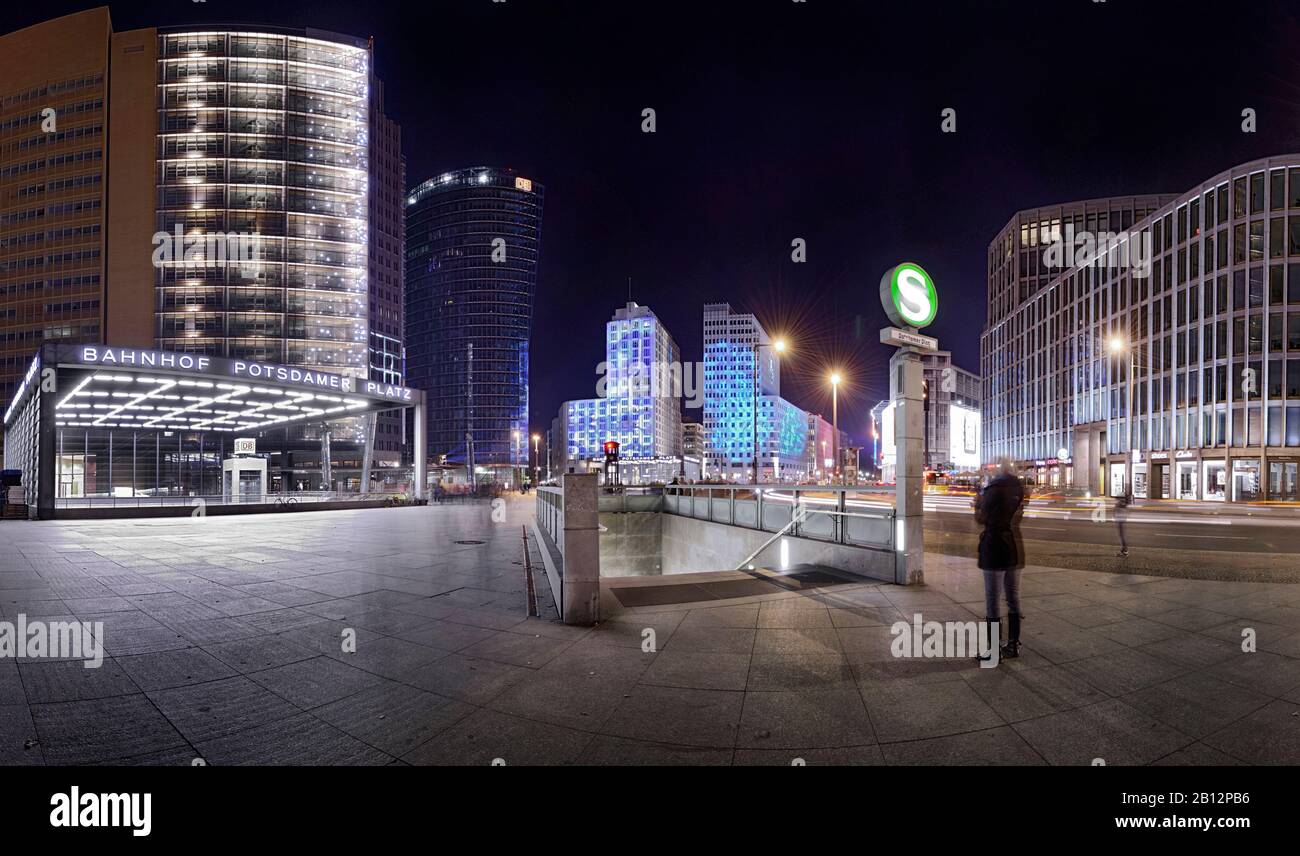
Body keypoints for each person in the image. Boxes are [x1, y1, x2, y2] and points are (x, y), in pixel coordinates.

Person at [975, 458, 1026, 660]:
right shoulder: (1019, 489)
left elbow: (981, 518)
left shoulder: (993, 489)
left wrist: (977, 503)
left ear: (998, 469)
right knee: (1013, 597)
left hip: (994, 546)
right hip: (1014, 546)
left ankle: (994, 650)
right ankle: (1013, 645)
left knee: (993, 600)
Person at [1115, 487, 1132, 558]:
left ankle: (1125, 551)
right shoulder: (1122, 504)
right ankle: (1123, 550)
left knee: (1122, 537)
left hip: (1121, 521)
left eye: (1118, 497)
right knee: (1121, 536)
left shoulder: (1121, 504)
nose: (1117, 499)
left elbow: (1119, 512)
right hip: (1121, 521)